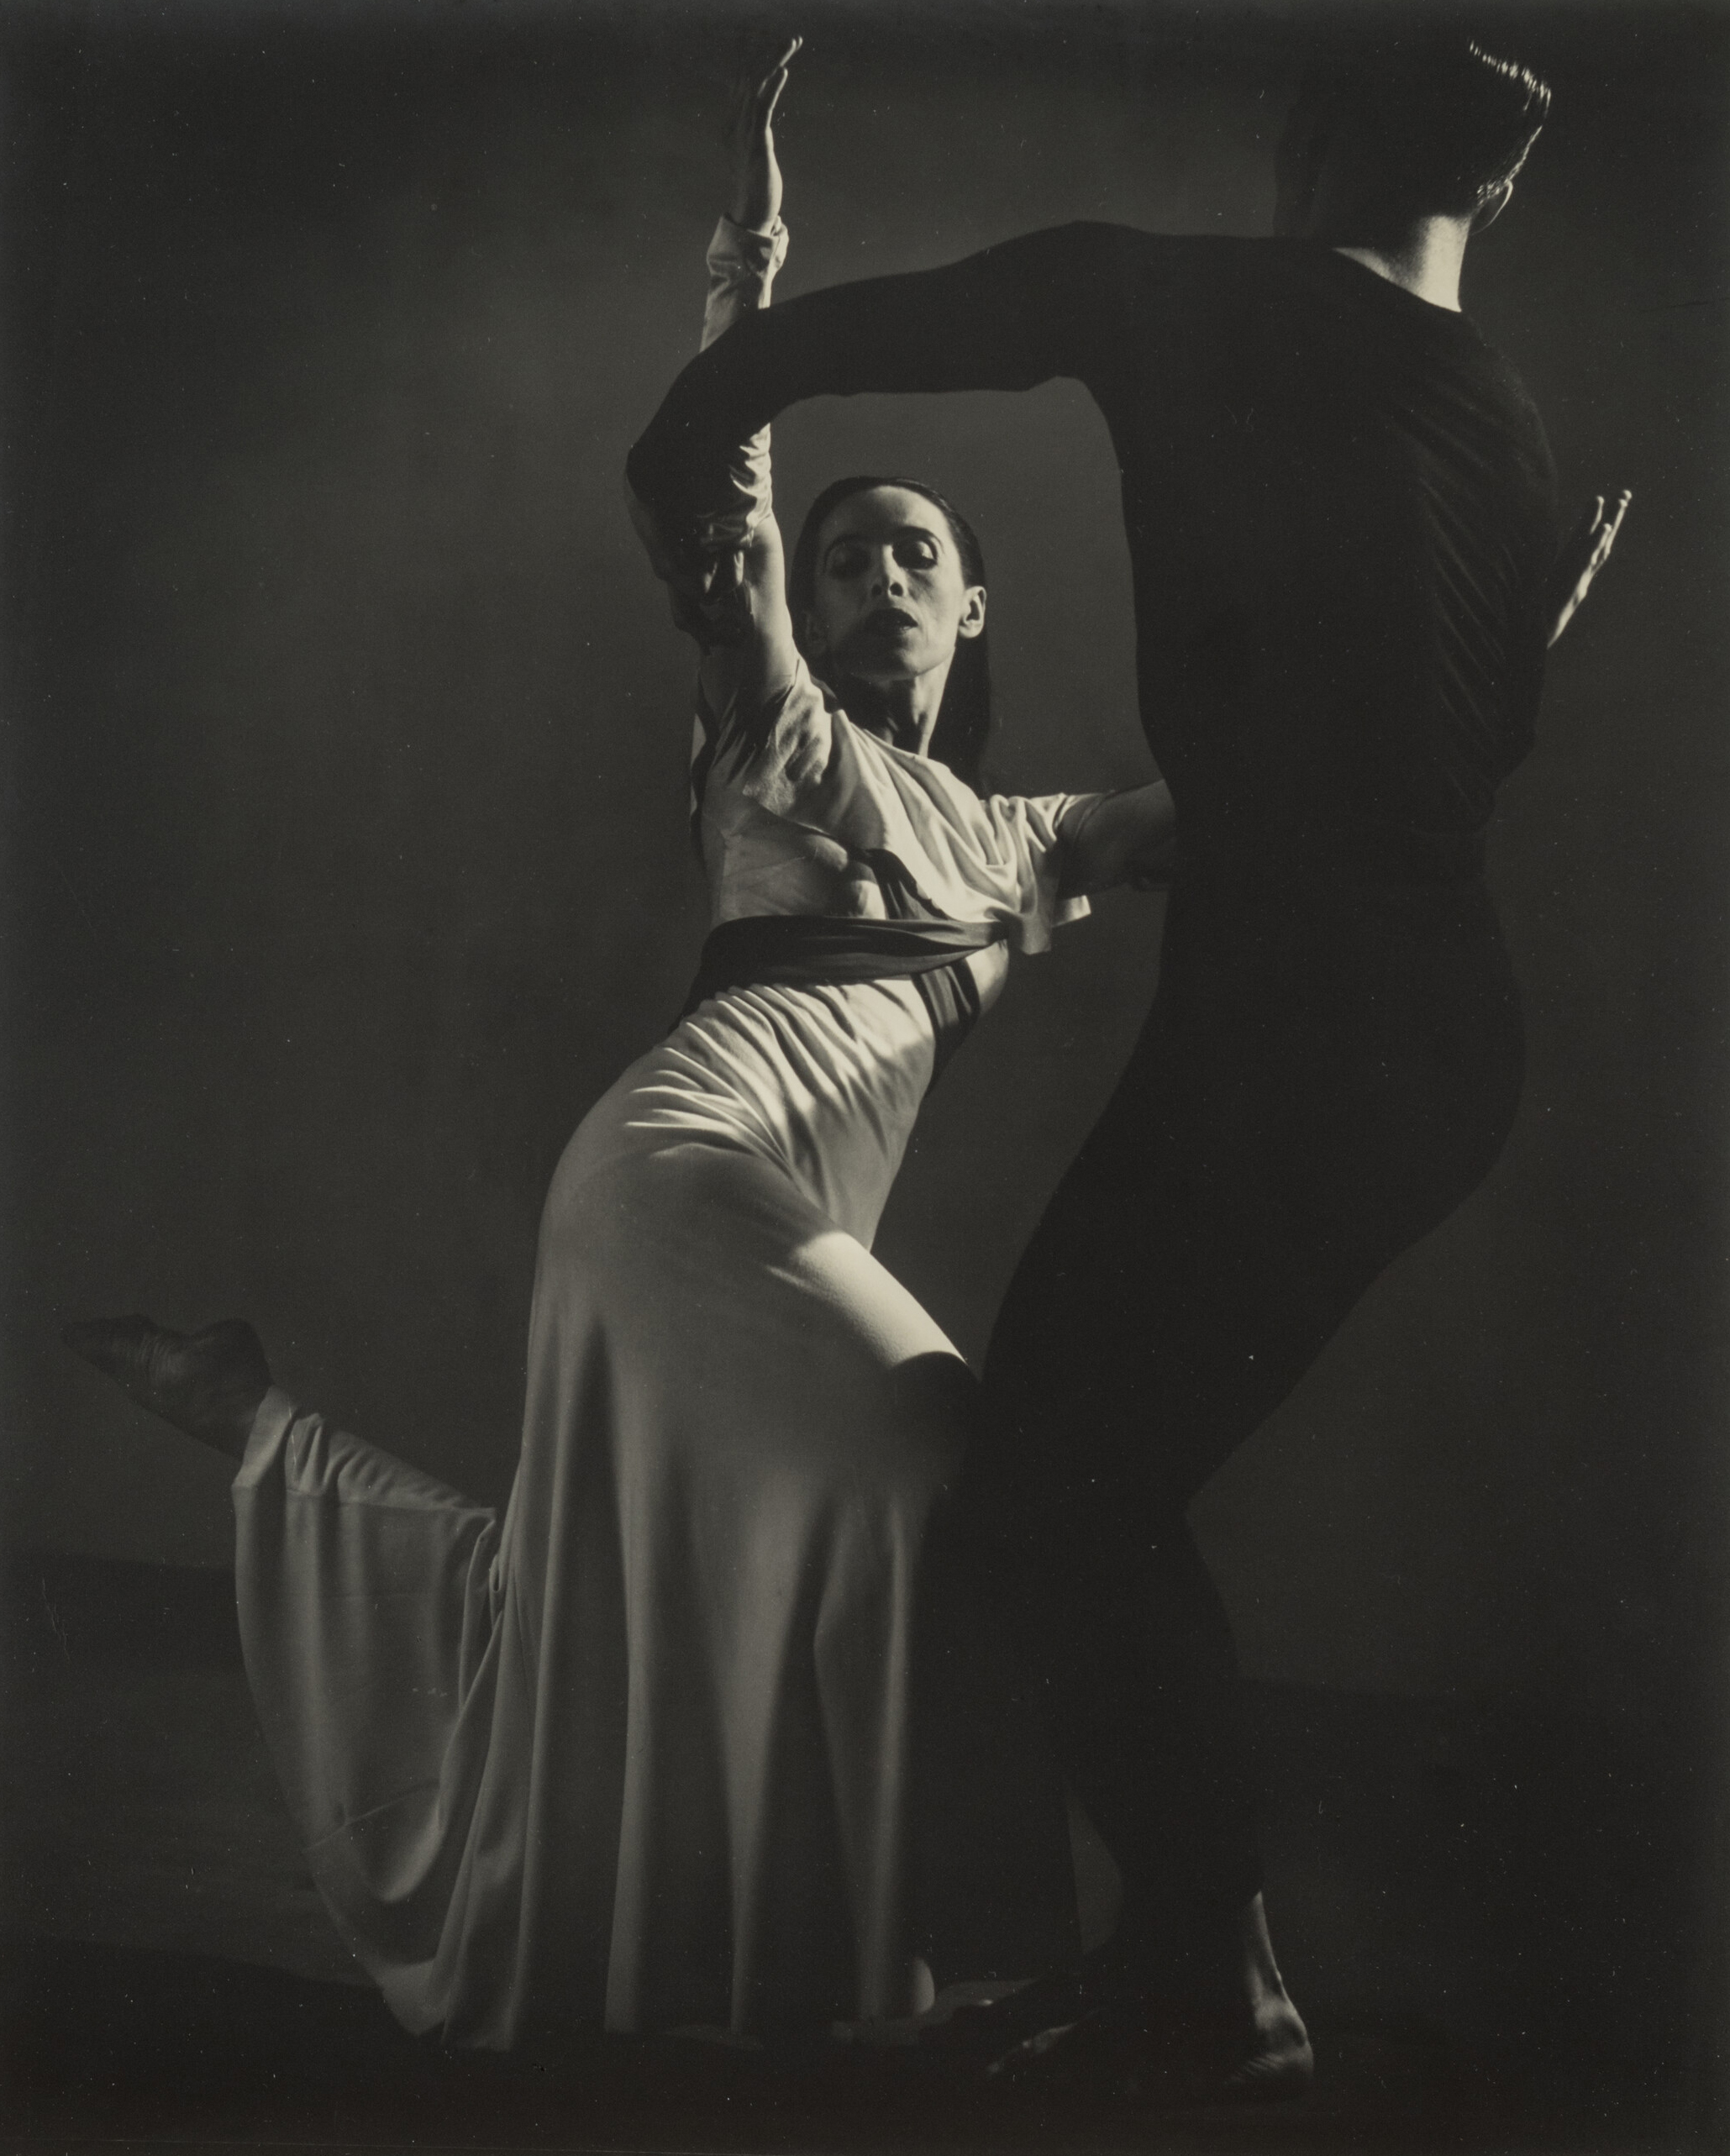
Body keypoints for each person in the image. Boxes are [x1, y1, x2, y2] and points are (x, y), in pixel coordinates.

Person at [65, 44, 1181, 2050]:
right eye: (849, 552)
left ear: (980, 598)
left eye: (917, 549)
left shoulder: (1036, 841)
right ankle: (996, 1963)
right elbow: (715, 509)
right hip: (682, 1167)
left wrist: (1467, 670)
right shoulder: (775, 733)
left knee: (616, 1601)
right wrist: (738, 290)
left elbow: (1264, 811)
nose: (877, 569)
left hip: (761, 1203)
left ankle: (251, 1424)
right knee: (946, 1456)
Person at [627, 34, 1629, 2097]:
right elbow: (1438, 754)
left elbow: (907, 329)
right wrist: (1526, 649)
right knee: (1083, 1487)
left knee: (1051, 1495)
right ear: (1499, 198)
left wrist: (710, 400)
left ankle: (1209, 1976)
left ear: (1304, 145)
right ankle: (1194, 1959)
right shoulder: (1506, 432)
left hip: (1311, 1021)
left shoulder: (1196, 295)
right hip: (1432, 1028)